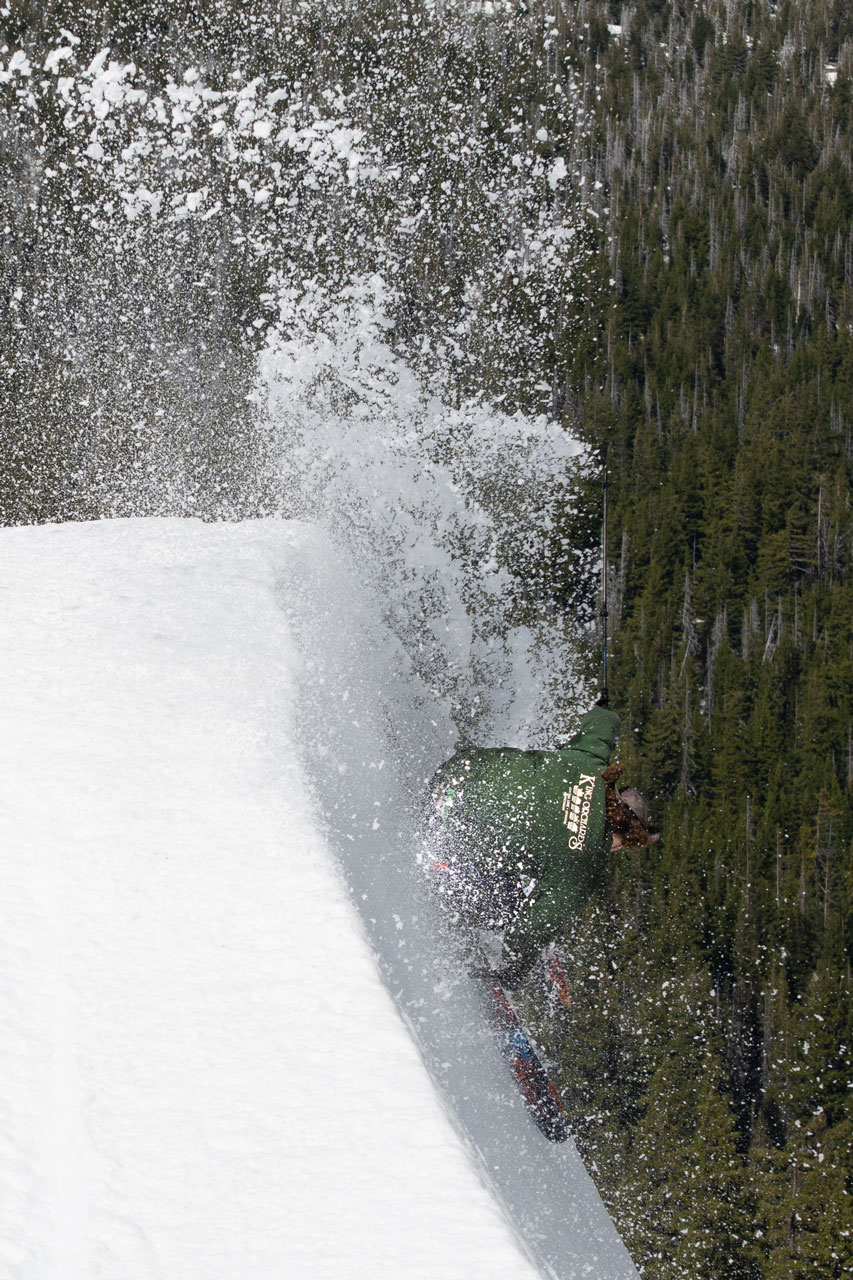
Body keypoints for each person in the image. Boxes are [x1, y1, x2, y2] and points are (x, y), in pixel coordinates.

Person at [424, 697, 659, 989]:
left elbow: (604, 725)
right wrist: (514, 971)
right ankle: (448, 877)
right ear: (626, 838)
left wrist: (605, 706)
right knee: (512, 908)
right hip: (452, 833)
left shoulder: (590, 763)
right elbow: (528, 931)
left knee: (523, 835)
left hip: (454, 775)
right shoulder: (583, 865)